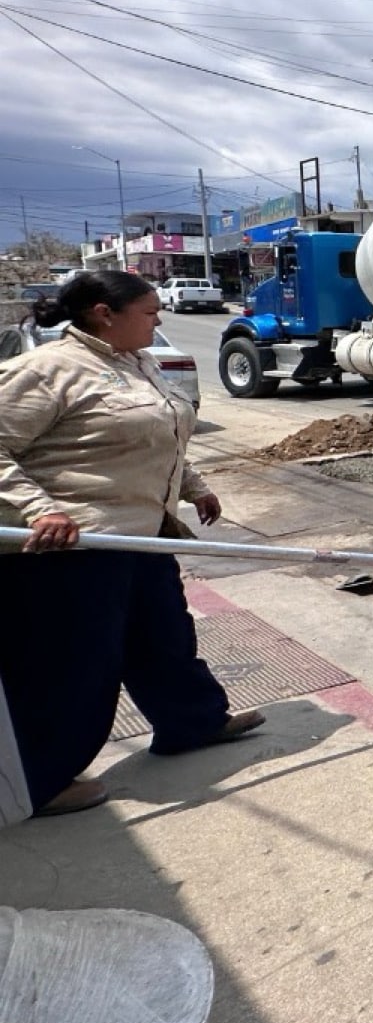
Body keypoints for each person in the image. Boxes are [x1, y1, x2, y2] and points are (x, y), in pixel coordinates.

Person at [0, 271, 262, 818]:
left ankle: (192, 723)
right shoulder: (47, 370)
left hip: (143, 533)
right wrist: (39, 507)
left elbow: (157, 436)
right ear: (104, 313)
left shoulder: (136, 363)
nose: (160, 320)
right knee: (73, 661)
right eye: (149, 311)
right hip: (76, 545)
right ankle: (39, 777)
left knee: (163, 636)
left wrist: (194, 488)